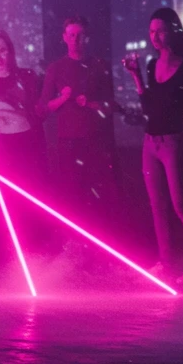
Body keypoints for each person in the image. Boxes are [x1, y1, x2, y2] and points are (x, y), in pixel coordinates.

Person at [122, 8, 183, 284]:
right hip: (150, 143)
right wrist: (137, 77)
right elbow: (149, 107)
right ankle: (167, 262)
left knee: (181, 203)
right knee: (157, 205)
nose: (155, 37)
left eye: (160, 30)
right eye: (151, 32)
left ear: (172, 30)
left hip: (174, 141)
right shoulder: (150, 65)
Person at [0, 29, 49, 250]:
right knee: (6, 199)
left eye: (2, 51)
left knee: (32, 195)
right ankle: (8, 249)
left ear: (10, 51)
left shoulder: (27, 77)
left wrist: (12, 108)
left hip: (28, 145)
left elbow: (39, 111)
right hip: (2, 148)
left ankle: (36, 248)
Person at [41, 15, 116, 222]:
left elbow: (112, 105)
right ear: (64, 37)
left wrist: (91, 103)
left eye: (79, 35)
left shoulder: (100, 65)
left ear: (87, 38)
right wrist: (63, 98)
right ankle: (74, 246)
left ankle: (96, 245)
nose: (75, 39)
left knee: (97, 199)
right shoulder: (55, 68)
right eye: (71, 35)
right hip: (68, 144)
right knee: (71, 197)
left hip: (95, 142)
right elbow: (43, 108)